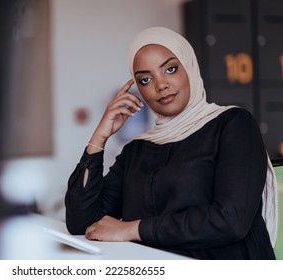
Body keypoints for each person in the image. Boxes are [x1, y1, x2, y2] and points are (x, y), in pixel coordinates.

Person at [64, 27, 277, 260]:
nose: (160, 85)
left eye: (170, 69)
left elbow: (231, 220)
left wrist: (132, 229)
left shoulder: (233, 124)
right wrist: (99, 137)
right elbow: (82, 223)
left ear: (190, 67)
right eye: (145, 79)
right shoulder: (137, 150)